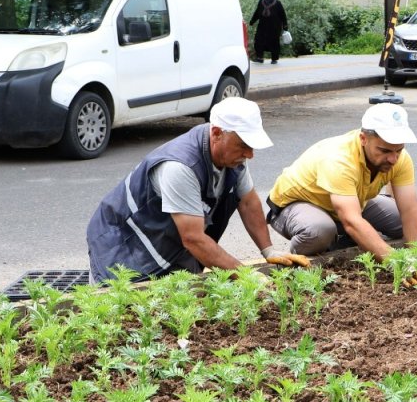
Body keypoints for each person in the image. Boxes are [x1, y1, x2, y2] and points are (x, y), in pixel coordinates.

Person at [87, 97, 300, 282]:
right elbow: (193, 238)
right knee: (125, 310)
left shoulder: (233, 158)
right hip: (122, 247)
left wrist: (268, 250)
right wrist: (245, 275)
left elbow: (247, 201)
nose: (250, 154)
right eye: (244, 145)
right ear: (217, 133)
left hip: (168, 244)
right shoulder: (180, 167)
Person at [266, 104, 417, 262]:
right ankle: (310, 253)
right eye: (384, 151)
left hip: (347, 200)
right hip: (296, 205)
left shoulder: (400, 159)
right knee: (320, 231)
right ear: (363, 139)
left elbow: (410, 210)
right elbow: (351, 220)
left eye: (399, 150)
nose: (393, 159)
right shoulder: (340, 159)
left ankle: (351, 238)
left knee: (400, 222)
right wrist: (395, 261)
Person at [248, 0, 289, 64]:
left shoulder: (277, 3)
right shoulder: (261, 1)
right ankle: (260, 57)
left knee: (274, 42)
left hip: (274, 27)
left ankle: (274, 59)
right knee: (259, 40)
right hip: (263, 26)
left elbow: (283, 15)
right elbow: (257, 12)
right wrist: (252, 21)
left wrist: (285, 25)